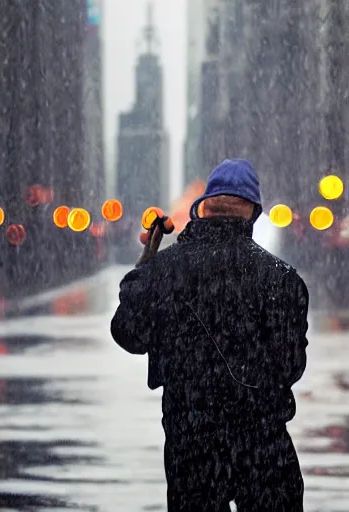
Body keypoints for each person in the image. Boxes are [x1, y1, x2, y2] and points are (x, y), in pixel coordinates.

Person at [110, 159, 309, 512]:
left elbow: (127, 333)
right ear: (252, 213)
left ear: (203, 208)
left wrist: (144, 267)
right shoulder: (281, 279)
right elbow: (291, 365)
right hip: (263, 445)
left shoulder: (162, 271)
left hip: (192, 445)